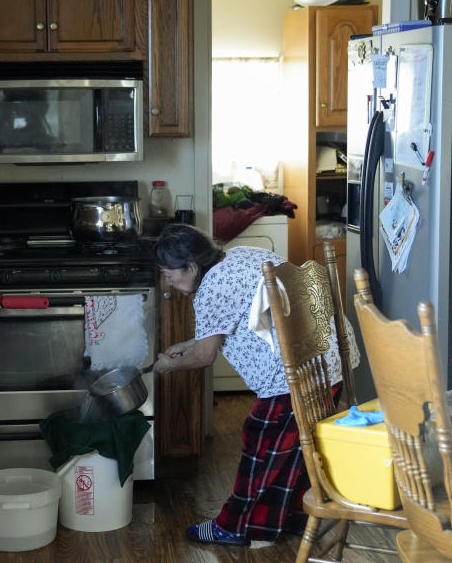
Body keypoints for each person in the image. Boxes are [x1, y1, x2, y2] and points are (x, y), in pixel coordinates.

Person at [151, 223, 357, 546]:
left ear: (191, 267)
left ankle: (232, 526)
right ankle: (287, 518)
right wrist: (188, 343)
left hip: (292, 377)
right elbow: (221, 327)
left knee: (259, 444)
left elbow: (205, 356)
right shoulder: (239, 255)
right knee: (294, 451)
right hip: (326, 365)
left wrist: (168, 365)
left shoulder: (210, 288)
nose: (168, 282)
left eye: (169, 273)